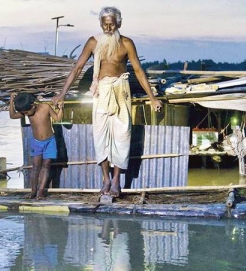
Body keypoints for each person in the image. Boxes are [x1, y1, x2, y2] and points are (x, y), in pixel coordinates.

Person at [52, 6, 163, 197]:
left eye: (112, 24)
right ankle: (105, 180)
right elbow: (78, 67)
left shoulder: (127, 43)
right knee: (100, 136)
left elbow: (138, 70)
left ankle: (116, 182)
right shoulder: (93, 42)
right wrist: (62, 94)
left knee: (122, 136)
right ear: (101, 24)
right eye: (105, 24)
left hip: (121, 91)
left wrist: (152, 98)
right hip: (102, 92)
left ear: (119, 23)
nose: (109, 28)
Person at [10, 92, 63, 199]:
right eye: (23, 113)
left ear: (33, 105)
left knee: (46, 166)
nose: (25, 115)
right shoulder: (28, 112)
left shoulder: (45, 107)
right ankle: (33, 191)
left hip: (50, 142)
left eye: (26, 112)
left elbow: (57, 118)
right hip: (36, 143)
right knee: (35, 167)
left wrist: (61, 108)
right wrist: (11, 101)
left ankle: (41, 192)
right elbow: (12, 115)